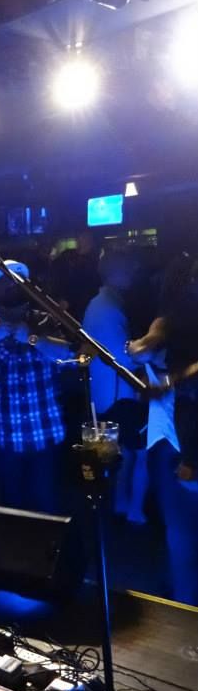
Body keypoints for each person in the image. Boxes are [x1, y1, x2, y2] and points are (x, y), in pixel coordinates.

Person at [0, 260, 71, 513]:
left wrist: (33, 338)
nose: (12, 290)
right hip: (6, 440)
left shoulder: (45, 321)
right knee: (13, 512)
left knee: (48, 510)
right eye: (5, 285)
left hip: (46, 437)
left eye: (18, 285)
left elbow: (68, 355)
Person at [128, 252, 198, 605]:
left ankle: (184, 601)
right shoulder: (173, 313)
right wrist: (142, 347)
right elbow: (153, 336)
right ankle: (184, 604)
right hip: (180, 435)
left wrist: (170, 381)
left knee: (182, 533)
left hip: (184, 436)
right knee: (181, 533)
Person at [83, 248, 148, 524]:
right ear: (116, 272)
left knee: (122, 454)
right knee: (139, 453)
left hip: (107, 393)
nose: (133, 273)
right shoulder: (108, 307)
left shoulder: (100, 304)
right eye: (128, 268)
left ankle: (121, 504)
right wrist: (147, 351)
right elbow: (123, 357)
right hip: (120, 395)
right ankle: (134, 509)